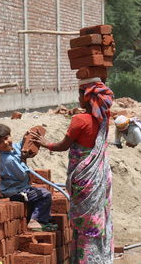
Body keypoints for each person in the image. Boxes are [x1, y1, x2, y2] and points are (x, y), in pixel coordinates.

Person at [31, 77, 114, 264]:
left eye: (79, 93)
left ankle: (85, 260)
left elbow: (63, 146)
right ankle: (100, 258)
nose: (77, 97)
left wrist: (45, 143)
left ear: (87, 98)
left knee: (85, 223)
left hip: (84, 179)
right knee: (98, 218)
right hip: (100, 176)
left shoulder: (79, 120)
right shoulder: (104, 120)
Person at [0, 123, 56, 231]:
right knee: (45, 195)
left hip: (20, 188)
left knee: (39, 193)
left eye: (6, 138)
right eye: (0, 142)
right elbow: (22, 175)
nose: (5, 142)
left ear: (10, 136)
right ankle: (36, 221)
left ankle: (42, 219)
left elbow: (20, 146)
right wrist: (24, 159)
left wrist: (26, 139)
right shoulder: (8, 161)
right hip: (15, 192)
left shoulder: (12, 148)